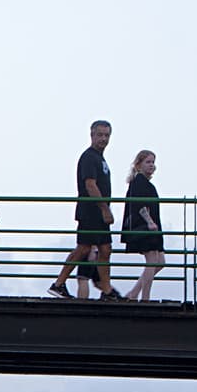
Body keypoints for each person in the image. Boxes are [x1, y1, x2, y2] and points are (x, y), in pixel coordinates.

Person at [50, 120, 122, 300]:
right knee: (83, 248)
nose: (103, 139)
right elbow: (90, 185)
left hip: (99, 214)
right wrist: (104, 208)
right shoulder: (89, 157)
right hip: (90, 211)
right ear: (92, 135)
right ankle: (58, 284)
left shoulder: (100, 158)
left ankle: (106, 290)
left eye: (106, 135)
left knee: (105, 249)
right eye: (100, 135)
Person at [120, 151, 166, 301]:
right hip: (145, 226)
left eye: (153, 162)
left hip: (151, 226)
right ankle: (145, 297)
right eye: (148, 162)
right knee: (152, 260)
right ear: (139, 164)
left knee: (160, 262)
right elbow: (140, 205)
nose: (152, 165)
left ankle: (134, 293)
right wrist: (149, 222)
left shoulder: (145, 183)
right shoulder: (138, 182)